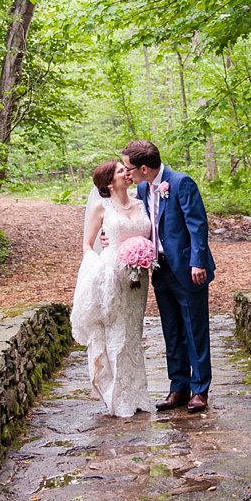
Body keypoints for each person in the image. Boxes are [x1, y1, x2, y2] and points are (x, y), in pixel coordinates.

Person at [122, 140, 215, 414]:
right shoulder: (142, 188)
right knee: (171, 331)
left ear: (144, 168)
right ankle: (178, 387)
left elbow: (197, 225)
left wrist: (197, 262)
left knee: (194, 330)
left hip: (188, 269)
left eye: (129, 168)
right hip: (160, 269)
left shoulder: (181, 183)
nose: (127, 174)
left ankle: (200, 390)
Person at [69, 160, 154, 417]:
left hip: (138, 277)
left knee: (133, 334)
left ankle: (137, 394)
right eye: (120, 171)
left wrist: (144, 253)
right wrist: (97, 268)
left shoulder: (142, 202)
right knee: (115, 335)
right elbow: (87, 244)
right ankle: (116, 397)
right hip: (111, 276)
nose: (126, 173)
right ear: (109, 182)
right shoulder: (101, 207)